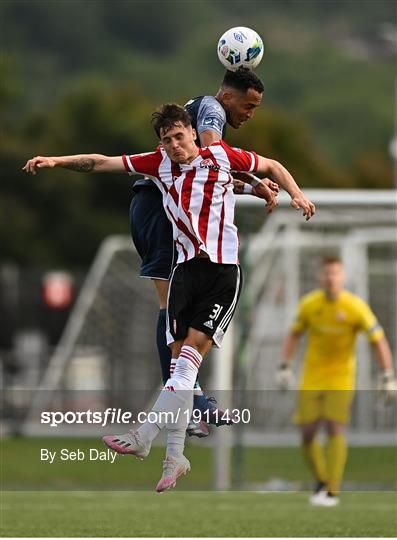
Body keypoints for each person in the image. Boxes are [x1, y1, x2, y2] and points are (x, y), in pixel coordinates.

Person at [23, 103, 315, 492]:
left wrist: (295, 194)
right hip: (184, 274)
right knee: (181, 370)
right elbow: (100, 162)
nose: (174, 145)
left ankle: (145, 436)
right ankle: (174, 456)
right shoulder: (159, 164)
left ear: (193, 133)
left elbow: (272, 166)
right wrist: (56, 161)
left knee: (185, 365)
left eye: (179, 136)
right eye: (167, 140)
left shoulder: (222, 156)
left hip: (221, 274)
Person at [130, 68, 278, 436]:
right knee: (169, 309)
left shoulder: (196, 111)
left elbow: (209, 178)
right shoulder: (212, 111)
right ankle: (191, 399)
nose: (250, 114)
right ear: (230, 97)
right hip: (158, 209)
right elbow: (214, 153)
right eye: (249, 105)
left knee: (183, 314)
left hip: (156, 207)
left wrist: (250, 187)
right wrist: (258, 181)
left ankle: (186, 407)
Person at [277, 256, 396, 506]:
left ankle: (333, 490)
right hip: (312, 376)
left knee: (334, 427)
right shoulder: (310, 304)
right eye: (327, 274)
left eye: (335, 274)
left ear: (343, 278)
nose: (331, 278)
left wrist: (388, 375)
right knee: (308, 434)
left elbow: (378, 340)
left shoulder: (355, 307)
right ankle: (321, 480)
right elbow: (294, 334)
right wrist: (285, 366)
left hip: (341, 378)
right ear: (321, 277)